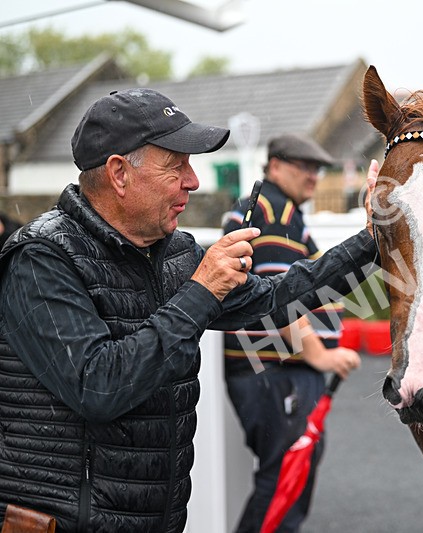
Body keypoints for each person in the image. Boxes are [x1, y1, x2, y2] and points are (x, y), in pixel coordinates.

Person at [0, 88, 378, 532]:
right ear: (119, 173)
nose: (193, 180)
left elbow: (275, 299)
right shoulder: (42, 257)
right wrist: (202, 289)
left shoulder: (172, 250)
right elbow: (99, 387)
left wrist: (372, 240)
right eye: (176, 164)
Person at [222, 134, 363, 533]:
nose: (314, 177)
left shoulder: (262, 208)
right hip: (278, 373)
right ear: (275, 166)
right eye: (304, 166)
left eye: (318, 169)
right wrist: (321, 355)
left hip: (267, 371)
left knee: (282, 479)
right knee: (284, 483)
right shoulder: (278, 214)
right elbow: (279, 298)